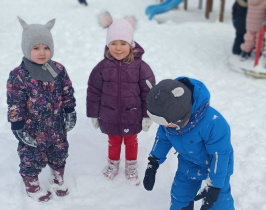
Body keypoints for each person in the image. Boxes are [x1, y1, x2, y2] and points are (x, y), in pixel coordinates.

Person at [6, 17, 76, 202]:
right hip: (32, 129)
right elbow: (15, 102)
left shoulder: (58, 69)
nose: (42, 52)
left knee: (59, 152)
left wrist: (70, 110)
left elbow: (67, 90)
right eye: (36, 48)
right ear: (26, 48)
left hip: (57, 126)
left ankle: (57, 176)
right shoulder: (19, 75)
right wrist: (17, 125)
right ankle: (31, 183)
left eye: (46, 47)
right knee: (31, 157)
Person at [143, 77, 234, 210]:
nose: (167, 128)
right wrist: (154, 161)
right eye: (164, 125)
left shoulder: (214, 123)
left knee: (219, 202)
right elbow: (163, 138)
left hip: (217, 165)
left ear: (183, 117)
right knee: (180, 195)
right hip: (188, 163)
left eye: (171, 125)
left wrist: (215, 186)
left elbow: (220, 155)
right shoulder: (168, 118)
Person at [86, 12, 156, 186]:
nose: (118, 48)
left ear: (131, 44)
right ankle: (113, 164)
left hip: (132, 114)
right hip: (109, 115)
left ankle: (131, 165)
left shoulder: (141, 67)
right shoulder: (101, 67)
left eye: (123, 43)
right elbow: (93, 91)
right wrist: (93, 114)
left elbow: (149, 92)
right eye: (113, 43)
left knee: (131, 141)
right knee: (113, 140)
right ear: (107, 45)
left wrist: (148, 115)